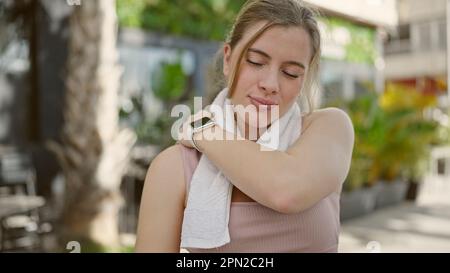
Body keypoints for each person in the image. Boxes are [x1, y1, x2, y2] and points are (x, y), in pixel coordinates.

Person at [135, 0, 354, 253]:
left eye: (291, 73)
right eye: (256, 61)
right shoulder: (175, 167)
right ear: (228, 59)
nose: (271, 83)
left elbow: (286, 190)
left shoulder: (328, 128)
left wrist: (205, 132)